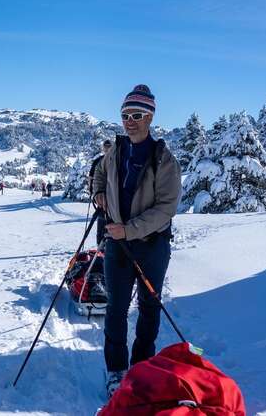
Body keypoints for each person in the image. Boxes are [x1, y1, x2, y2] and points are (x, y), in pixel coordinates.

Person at [92, 84, 181, 397]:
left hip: (152, 246)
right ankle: (117, 371)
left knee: (149, 308)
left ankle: (142, 368)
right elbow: (99, 173)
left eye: (137, 115)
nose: (130, 120)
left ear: (150, 117)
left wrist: (128, 230)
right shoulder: (116, 150)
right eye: (125, 115)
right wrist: (98, 191)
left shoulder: (164, 160)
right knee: (115, 308)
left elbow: (166, 209)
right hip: (118, 244)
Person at [88, 139, 113, 244]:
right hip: (111, 198)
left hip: (103, 198)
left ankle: (102, 247)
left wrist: (92, 193)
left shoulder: (98, 161)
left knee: (102, 222)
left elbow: (91, 179)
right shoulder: (117, 160)